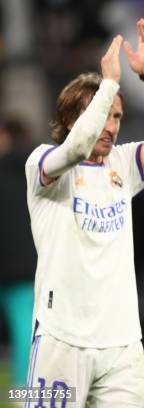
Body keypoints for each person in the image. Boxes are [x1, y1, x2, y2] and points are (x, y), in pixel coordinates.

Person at [24, 19, 144, 407]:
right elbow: (78, 147)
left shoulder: (124, 164)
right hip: (60, 340)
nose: (110, 125)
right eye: (102, 114)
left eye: (116, 117)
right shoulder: (43, 166)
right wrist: (110, 86)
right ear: (70, 120)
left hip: (121, 345)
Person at [0, 117, 37, 389]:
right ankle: (25, 386)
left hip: (14, 265)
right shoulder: (35, 170)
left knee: (25, 326)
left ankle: (25, 387)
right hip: (25, 262)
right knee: (26, 326)